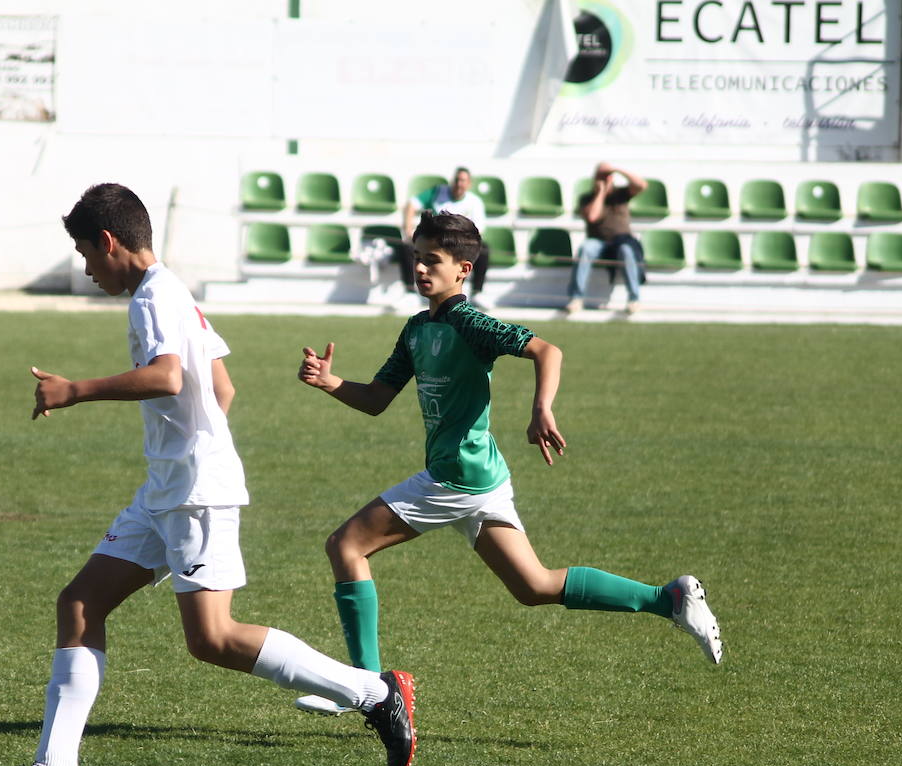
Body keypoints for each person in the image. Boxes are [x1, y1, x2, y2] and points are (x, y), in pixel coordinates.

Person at [0, 183, 416, 766]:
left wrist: (77, 391)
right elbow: (221, 386)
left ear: (110, 241)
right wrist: (189, 450)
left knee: (212, 638)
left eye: (86, 253)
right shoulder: (174, 291)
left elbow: (170, 376)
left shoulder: (153, 298)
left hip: (193, 492)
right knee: (80, 602)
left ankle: (373, 693)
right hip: (170, 488)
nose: (87, 268)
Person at [291, 210, 722, 717]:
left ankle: (368, 690)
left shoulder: (469, 323)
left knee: (346, 545)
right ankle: (668, 599)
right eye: (417, 258)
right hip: (481, 476)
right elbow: (378, 398)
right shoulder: (415, 329)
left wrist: (541, 408)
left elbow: (548, 349)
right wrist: (330, 383)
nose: (421, 269)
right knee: (533, 586)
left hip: (456, 477)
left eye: (433, 260)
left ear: (463, 271)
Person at [565, 162, 648, 315]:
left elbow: (641, 185)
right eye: (601, 177)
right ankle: (576, 298)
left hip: (621, 240)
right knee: (586, 248)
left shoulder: (622, 194)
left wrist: (616, 169)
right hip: (598, 242)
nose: (605, 180)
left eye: (607, 177)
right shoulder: (587, 198)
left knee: (627, 250)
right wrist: (600, 193)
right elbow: (592, 216)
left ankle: (634, 298)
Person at [400, 167, 488, 302]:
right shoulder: (437, 192)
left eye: (463, 181)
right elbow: (411, 204)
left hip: (458, 245)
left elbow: (478, 232)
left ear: (468, 184)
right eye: (457, 180)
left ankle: (477, 292)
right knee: (408, 246)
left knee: (484, 250)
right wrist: (408, 229)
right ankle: (410, 292)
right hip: (433, 243)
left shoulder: (475, 202)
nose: (459, 184)